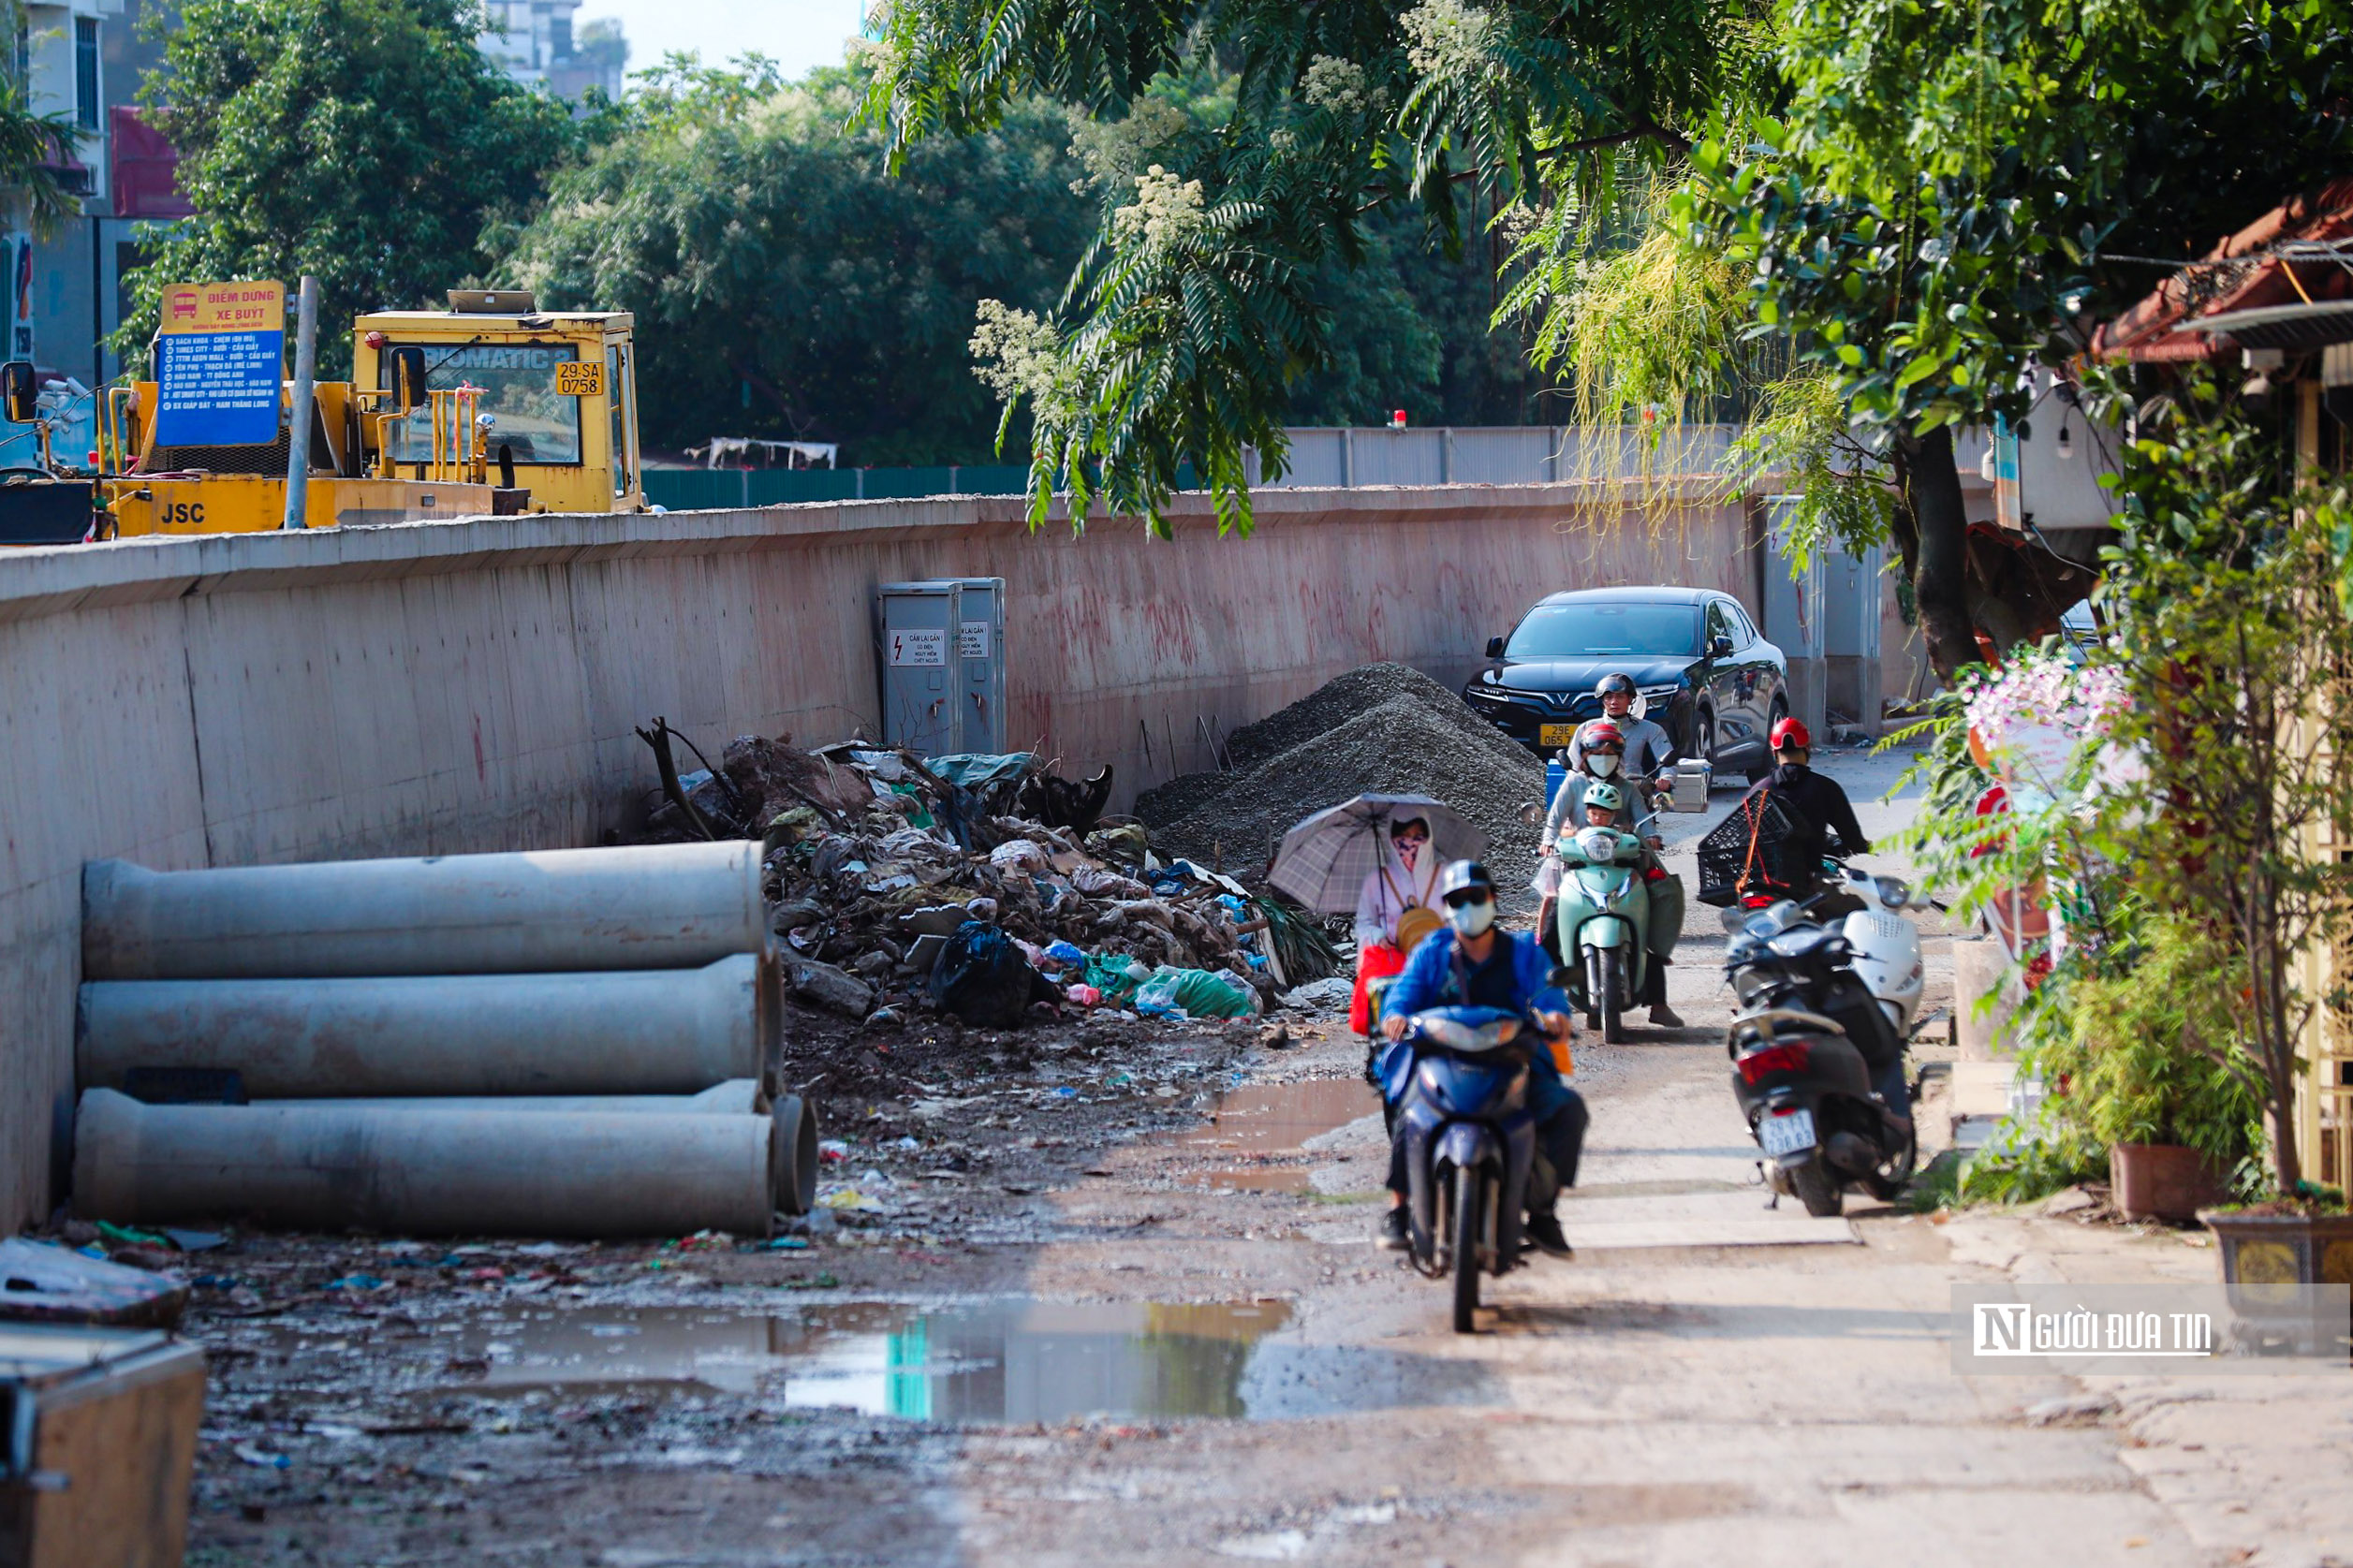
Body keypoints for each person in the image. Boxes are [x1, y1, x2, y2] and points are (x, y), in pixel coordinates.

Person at [1375, 860, 1587, 1258]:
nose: (1468, 905)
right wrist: (1395, 1016)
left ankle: (1544, 1212)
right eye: (1459, 899)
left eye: (1477, 896)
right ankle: (1400, 1208)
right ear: (1448, 906)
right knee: (1404, 1107)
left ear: (1493, 899)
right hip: (1442, 1061)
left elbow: (1547, 992)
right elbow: (1404, 993)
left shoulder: (1523, 950)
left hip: (1509, 1060)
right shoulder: (1431, 951)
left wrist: (1556, 1015)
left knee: (1568, 1111)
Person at [1542, 737, 1685, 1027]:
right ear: (1585, 755)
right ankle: (1543, 996)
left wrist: (1652, 836)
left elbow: (1644, 820)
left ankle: (1658, 1003)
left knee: (1653, 910)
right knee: (1552, 926)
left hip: (1623, 861)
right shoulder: (1573, 783)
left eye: (1611, 754)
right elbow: (1554, 819)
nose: (1604, 758)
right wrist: (1548, 842)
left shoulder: (1628, 786)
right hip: (1579, 863)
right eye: (1598, 753)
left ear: (1619, 756)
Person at [1736, 717, 1872, 911]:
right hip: (1806, 884)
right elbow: (1853, 839)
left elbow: (1741, 838)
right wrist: (1864, 846)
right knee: (1858, 910)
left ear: (1774, 752)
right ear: (1807, 749)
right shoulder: (1826, 788)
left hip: (1761, 884)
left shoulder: (1758, 791)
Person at [1348, 813, 1443, 1036]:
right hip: (1394, 962)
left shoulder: (1444, 875)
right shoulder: (1377, 881)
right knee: (1394, 1028)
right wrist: (1377, 934)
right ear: (1391, 839)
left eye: (1417, 836)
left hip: (1438, 960)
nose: (1410, 843)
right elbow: (1362, 923)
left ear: (1428, 837)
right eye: (1403, 836)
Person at [1566, 673, 1677, 842]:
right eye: (1608, 697)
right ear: (1602, 701)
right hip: (1594, 792)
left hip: (1634, 789)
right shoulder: (1587, 728)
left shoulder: (1651, 729)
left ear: (1631, 699)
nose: (1613, 702)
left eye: (1620, 697)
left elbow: (1667, 756)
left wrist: (1666, 778)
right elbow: (1574, 764)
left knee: (1650, 842)